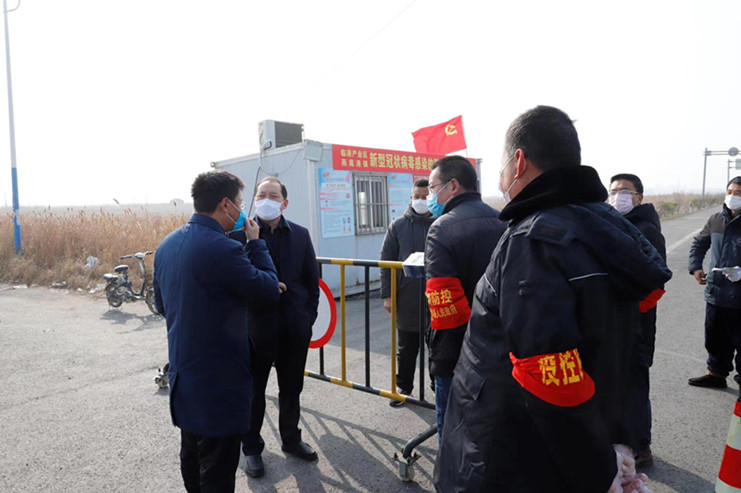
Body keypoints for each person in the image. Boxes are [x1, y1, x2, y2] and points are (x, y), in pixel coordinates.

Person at [434, 106, 671, 492]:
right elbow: (629, 350)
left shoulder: (534, 240)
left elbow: (547, 375)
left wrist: (600, 472)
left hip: (512, 456)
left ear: (518, 161)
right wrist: (616, 448)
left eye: (501, 165)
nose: (500, 178)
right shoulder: (607, 230)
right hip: (586, 442)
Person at [153, 170, 281, 493]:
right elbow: (268, 289)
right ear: (225, 205)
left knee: (192, 458)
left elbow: (163, 305)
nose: (242, 211)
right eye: (240, 203)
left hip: (184, 381)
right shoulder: (224, 250)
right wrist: (256, 244)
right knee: (218, 470)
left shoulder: (166, 245)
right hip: (219, 389)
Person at [241, 177, 320, 478]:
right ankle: (251, 447)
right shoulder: (240, 236)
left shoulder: (300, 234)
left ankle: (291, 439)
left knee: (291, 388)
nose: (266, 200)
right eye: (261, 194)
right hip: (255, 329)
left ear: (284, 203)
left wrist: (306, 319)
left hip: (293, 328)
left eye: (273, 196)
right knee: (253, 391)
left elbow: (312, 282)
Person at [424, 156, 505, 442]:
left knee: (453, 436)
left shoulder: (442, 228)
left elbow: (446, 311)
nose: (430, 195)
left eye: (433, 187)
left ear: (453, 186)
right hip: (500, 348)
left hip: (458, 352)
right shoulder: (504, 221)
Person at [608, 173, 667, 467]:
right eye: (613, 191)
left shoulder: (647, 231)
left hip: (636, 324)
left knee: (634, 386)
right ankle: (624, 441)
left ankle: (641, 446)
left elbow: (656, 284)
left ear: (639, 198)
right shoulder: (616, 225)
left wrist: (629, 312)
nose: (617, 196)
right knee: (620, 384)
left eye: (625, 191)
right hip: (619, 323)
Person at [380, 178, 435, 407]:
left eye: (425, 197)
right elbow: (386, 262)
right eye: (417, 197)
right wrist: (388, 295)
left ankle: (438, 387)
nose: (421, 201)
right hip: (406, 297)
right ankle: (404, 387)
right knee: (406, 348)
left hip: (435, 298)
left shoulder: (441, 223)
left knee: (437, 346)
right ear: (410, 198)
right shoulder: (398, 226)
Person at [688, 176, 741, 390]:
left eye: (738, 193)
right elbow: (699, 243)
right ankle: (716, 374)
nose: (733, 196)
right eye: (730, 192)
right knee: (715, 338)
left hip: (739, 297)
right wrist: (696, 267)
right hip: (716, 293)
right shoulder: (716, 219)